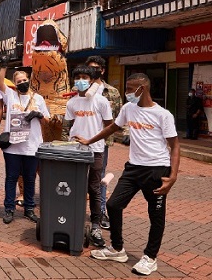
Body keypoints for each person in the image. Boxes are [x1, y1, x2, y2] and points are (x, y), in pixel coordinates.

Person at [76, 73, 180, 276]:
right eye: (127, 88)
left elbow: (175, 146)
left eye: (131, 89)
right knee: (114, 205)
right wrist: (89, 140)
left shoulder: (163, 115)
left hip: (157, 169)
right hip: (133, 168)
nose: (128, 92)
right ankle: (117, 248)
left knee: (156, 215)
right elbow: (113, 127)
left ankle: (150, 258)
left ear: (143, 88)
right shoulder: (128, 108)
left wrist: (173, 176)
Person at [64, 65, 113, 248]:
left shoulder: (101, 101)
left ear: (92, 80)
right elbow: (69, 126)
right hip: (75, 151)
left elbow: (110, 126)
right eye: (77, 78)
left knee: (94, 189)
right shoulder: (72, 102)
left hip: (95, 151)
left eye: (84, 77)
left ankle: (95, 226)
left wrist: (93, 140)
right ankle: (71, 220)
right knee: (73, 188)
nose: (80, 81)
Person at [0, 58, 50, 224]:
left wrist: (39, 115)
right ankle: (9, 209)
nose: (22, 83)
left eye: (24, 80)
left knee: (30, 179)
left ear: (29, 80)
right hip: (13, 148)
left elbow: (47, 120)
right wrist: (4, 67)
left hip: (32, 147)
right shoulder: (11, 96)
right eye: (18, 81)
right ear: (14, 83)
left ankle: (29, 209)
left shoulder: (38, 99)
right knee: (11, 178)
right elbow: (0, 84)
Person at [86, 55, 123, 230]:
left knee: (99, 178)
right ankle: (75, 209)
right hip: (80, 141)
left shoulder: (113, 92)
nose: (93, 71)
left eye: (96, 68)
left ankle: (100, 212)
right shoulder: (79, 88)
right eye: (90, 68)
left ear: (102, 70)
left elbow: (118, 118)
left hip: (102, 143)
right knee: (78, 176)